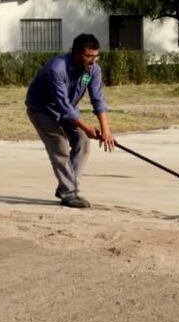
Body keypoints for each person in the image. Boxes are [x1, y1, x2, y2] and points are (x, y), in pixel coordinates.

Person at [26, 33, 116, 208]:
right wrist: (88, 128)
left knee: (83, 141)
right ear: (76, 53)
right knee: (59, 145)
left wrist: (106, 131)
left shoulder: (93, 70)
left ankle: (65, 187)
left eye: (96, 56)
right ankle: (69, 194)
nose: (93, 60)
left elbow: (97, 99)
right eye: (88, 56)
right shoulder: (57, 68)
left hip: (68, 109)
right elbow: (63, 106)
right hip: (42, 109)